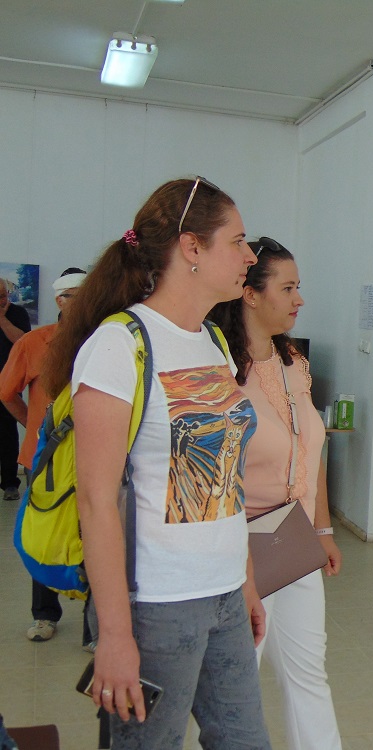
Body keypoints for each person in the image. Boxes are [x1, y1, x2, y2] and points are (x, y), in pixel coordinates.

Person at [43, 177, 271, 748]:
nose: (250, 256)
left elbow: (227, 479)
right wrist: (115, 635)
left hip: (224, 594)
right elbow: (96, 502)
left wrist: (244, 580)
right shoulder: (119, 346)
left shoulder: (214, 341)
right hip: (156, 606)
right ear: (191, 248)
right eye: (237, 241)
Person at [209, 237, 343, 750]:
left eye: (297, 287)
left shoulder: (293, 363)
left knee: (309, 672)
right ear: (250, 294)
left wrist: (323, 529)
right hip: (240, 547)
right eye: (287, 288)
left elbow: (312, 451)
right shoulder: (218, 368)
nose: (298, 299)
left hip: (293, 539)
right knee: (235, 683)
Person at [0, 268, 94, 646]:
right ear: (60, 300)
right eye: (77, 297)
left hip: (94, 458)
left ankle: (95, 626)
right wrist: (35, 428)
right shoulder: (34, 342)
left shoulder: (107, 341)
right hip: (46, 460)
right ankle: (44, 615)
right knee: (45, 532)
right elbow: (6, 393)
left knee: (95, 536)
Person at [0, 277, 31, 502]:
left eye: (2, 296)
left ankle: (10, 483)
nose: (0, 300)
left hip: (8, 383)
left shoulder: (18, 313)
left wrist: (1, 319)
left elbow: (23, 342)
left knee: (8, 434)